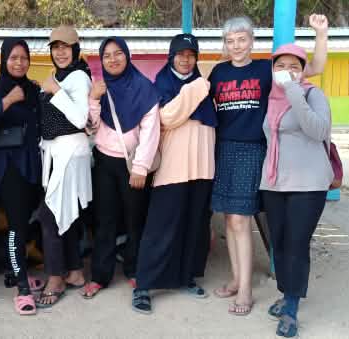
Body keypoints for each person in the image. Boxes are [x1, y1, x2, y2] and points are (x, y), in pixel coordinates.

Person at [208, 14, 328, 316]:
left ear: (252, 41)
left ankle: (246, 291)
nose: (236, 46)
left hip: (253, 150)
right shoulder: (218, 73)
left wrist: (321, 35)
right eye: (230, 41)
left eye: (242, 39)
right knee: (228, 219)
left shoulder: (266, 69)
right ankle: (237, 279)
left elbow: (314, 68)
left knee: (241, 220)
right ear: (225, 44)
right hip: (224, 149)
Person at [132, 33, 216, 314]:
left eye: (191, 55)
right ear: (171, 56)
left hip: (203, 167)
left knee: (195, 225)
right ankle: (143, 285)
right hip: (173, 167)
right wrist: (197, 89)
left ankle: (185, 277)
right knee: (161, 226)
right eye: (180, 54)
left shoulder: (204, 85)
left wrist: (199, 89)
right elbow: (166, 118)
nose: (185, 59)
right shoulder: (165, 84)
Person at [260, 43, 332, 338]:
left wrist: (293, 91)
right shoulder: (268, 98)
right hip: (275, 182)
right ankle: (285, 292)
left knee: (297, 244)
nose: (287, 72)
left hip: (309, 183)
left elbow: (319, 130)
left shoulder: (312, 94)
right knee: (279, 243)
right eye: (281, 66)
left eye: (294, 67)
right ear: (272, 70)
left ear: (303, 71)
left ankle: (291, 306)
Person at [82, 37, 160, 299]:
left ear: (127, 56)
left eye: (118, 54)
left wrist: (141, 168)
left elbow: (151, 132)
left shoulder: (144, 88)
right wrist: (93, 99)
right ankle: (100, 276)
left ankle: (135, 269)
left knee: (135, 218)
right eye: (107, 55)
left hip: (133, 165)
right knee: (104, 220)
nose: (113, 59)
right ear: (101, 60)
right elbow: (90, 126)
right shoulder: (99, 87)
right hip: (104, 160)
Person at [0, 38, 43, 315]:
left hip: (31, 164)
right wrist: (8, 100)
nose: (19, 62)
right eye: (13, 57)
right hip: (9, 168)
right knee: (15, 226)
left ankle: (18, 272)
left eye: (24, 58)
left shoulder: (32, 90)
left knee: (25, 222)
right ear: (4, 60)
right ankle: (23, 289)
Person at [34, 25, 91, 308]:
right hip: (58, 152)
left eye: (66, 47)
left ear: (75, 49)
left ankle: (56, 277)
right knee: (63, 212)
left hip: (69, 151)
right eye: (56, 47)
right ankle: (76, 272)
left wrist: (55, 91)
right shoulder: (61, 76)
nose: (60, 52)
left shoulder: (78, 77)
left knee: (50, 215)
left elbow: (80, 118)